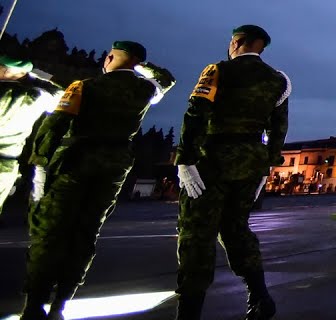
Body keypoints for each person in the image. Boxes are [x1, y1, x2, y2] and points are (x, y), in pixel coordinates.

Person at [21, 41, 175, 320]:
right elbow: (166, 80)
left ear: (109, 58)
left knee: (50, 231)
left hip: (76, 161)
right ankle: (62, 302)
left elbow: (53, 126)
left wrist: (40, 166)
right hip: (114, 167)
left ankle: (35, 302)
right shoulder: (144, 90)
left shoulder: (85, 86)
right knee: (86, 233)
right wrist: (137, 64)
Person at [174, 25, 290, 320]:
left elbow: (196, 112)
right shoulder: (278, 81)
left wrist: (185, 160)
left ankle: (189, 311)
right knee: (236, 229)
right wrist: (266, 165)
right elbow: (278, 128)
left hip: (213, 159)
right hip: (250, 162)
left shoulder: (218, 70)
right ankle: (260, 296)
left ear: (237, 43)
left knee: (196, 235)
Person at [0, 56, 59, 206]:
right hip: (6, 166)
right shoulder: (36, 96)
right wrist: (38, 76)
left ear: (6, 71)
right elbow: (63, 94)